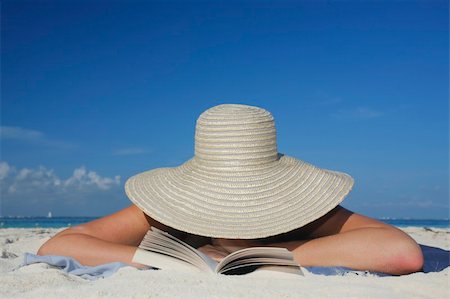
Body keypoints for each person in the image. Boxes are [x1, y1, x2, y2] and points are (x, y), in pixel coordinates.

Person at [37, 104, 424, 275]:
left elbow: (401, 252)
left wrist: (258, 254)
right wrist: (168, 261)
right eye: (223, 193)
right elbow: (60, 245)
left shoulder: (304, 210)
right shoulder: (169, 212)